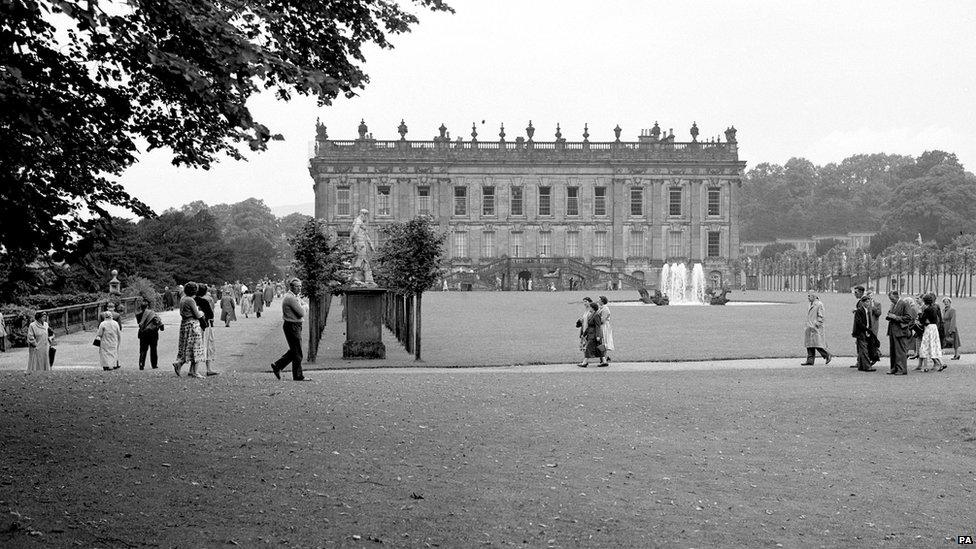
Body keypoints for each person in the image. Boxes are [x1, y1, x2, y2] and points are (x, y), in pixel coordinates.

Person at [270, 278, 307, 381]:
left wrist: (303, 305)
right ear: (291, 287)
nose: (299, 288)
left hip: (295, 325)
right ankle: (298, 376)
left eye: (300, 286)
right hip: (292, 326)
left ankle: (277, 366)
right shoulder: (291, 298)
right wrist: (304, 306)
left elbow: (303, 306)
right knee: (298, 352)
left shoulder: (295, 297)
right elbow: (302, 313)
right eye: (297, 286)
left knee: (294, 351)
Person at [174, 281, 205, 378]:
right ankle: (194, 371)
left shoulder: (183, 298)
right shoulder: (191, 300)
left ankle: (184, 366)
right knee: (196, 347)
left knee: (186, 347)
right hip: (192, 325)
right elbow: (197, 314)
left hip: (184, 324)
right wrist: (202, 313)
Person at [884, 290, 914, 375]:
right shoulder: (893, 304)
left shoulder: (905, 304)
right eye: (890, 299)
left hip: (901, 331)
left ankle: (902, 369)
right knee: (893, 351)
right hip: (892, 331)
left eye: (892, 299)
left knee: (900, 351)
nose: (891, 300)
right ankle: (894, 368)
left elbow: (908, 318)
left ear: (897, 296)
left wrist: (895, 317)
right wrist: (889, 316)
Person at [194, 284, 219, 376]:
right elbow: (211, 314)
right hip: (205, 326)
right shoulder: (205, 300)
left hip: (194, 326)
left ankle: (192, 369)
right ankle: (208, 369)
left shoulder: (191, 300)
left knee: (195, 346)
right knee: (207, 346)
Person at [917, 293, 946, 372]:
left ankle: (926, 366)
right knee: (934, 345)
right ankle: (940, 363)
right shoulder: (934, 308)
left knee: (925, 345)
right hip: (934, 327)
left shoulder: (927, 309)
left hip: (929, 328)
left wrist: (920, 314)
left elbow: (923, 320)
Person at [851, 286, 877, 372]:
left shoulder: (864, 309)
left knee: (863, 348)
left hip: (864, 331)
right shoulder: (861, 309)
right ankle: (866, 366)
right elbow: (860, 322)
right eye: (867, 302)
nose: (868, 303)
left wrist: (868, 329)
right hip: (862, 331)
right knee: (864, 348)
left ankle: (862, 365)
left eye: (856, 292)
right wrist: (867, 329)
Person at [801, 293, 831, 365]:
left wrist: (817, 323)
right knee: (809, 344)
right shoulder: (811, 304)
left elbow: (821, 315)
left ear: (814, 297)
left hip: (815, 327)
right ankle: (810, 360)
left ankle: (827, 355)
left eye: (809, 296)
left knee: (816, 344)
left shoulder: (819, 304)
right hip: (809, 326)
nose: (808, 297)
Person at [136, 298, 164, 370]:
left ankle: (141, 364)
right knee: (153, 349)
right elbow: (159, 322)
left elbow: (139, 323)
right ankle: (154, 365)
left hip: (143, 333)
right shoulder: (152, 313)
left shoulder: (138, 315)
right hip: (153, 333)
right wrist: (161, 327)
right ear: (148, 306)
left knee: (143, 349)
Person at [350, 208, 375, 285]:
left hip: (363, 244)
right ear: (362, 214)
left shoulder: (361, 222)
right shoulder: (358, 222)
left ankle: (368, 279)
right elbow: (354, 233)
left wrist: (370, 244)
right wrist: (354, 243)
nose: (366, 217)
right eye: (366, 215)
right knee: (360, 259)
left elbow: (366, 235)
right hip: (360, 244)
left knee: (364, 260)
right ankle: (356, 278)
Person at [578, 301, 605, 368]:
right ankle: (604, 361)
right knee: (599, 348)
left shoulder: (596, 315)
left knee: (588, 348)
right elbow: (589, 326)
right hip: (591, 333)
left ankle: (585, 362)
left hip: (594, 335)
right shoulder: (591, 315)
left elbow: (598, 326)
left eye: (590, 307)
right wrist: (584, 334)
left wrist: (598, 336)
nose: (589, 308)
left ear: (592, 308)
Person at [575, 297, 594, 366]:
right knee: (584, 345)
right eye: (584, 302)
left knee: (588, 346)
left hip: (588, 329)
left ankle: (585, 362)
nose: (584, 303)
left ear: (589, 302)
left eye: (586, 301)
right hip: (584, 328)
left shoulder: (591, 310)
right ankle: (603, 359)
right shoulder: (586, 310)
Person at [598, 295, 615, 366]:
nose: (598, 301)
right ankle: (604, 358)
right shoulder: (601, 308)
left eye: (599, 300)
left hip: (604, 327)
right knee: (602, 342)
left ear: (602, 301)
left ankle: (604, 359)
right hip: (602, 326)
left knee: (604, 341)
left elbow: (603, 320)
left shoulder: (605, 309)